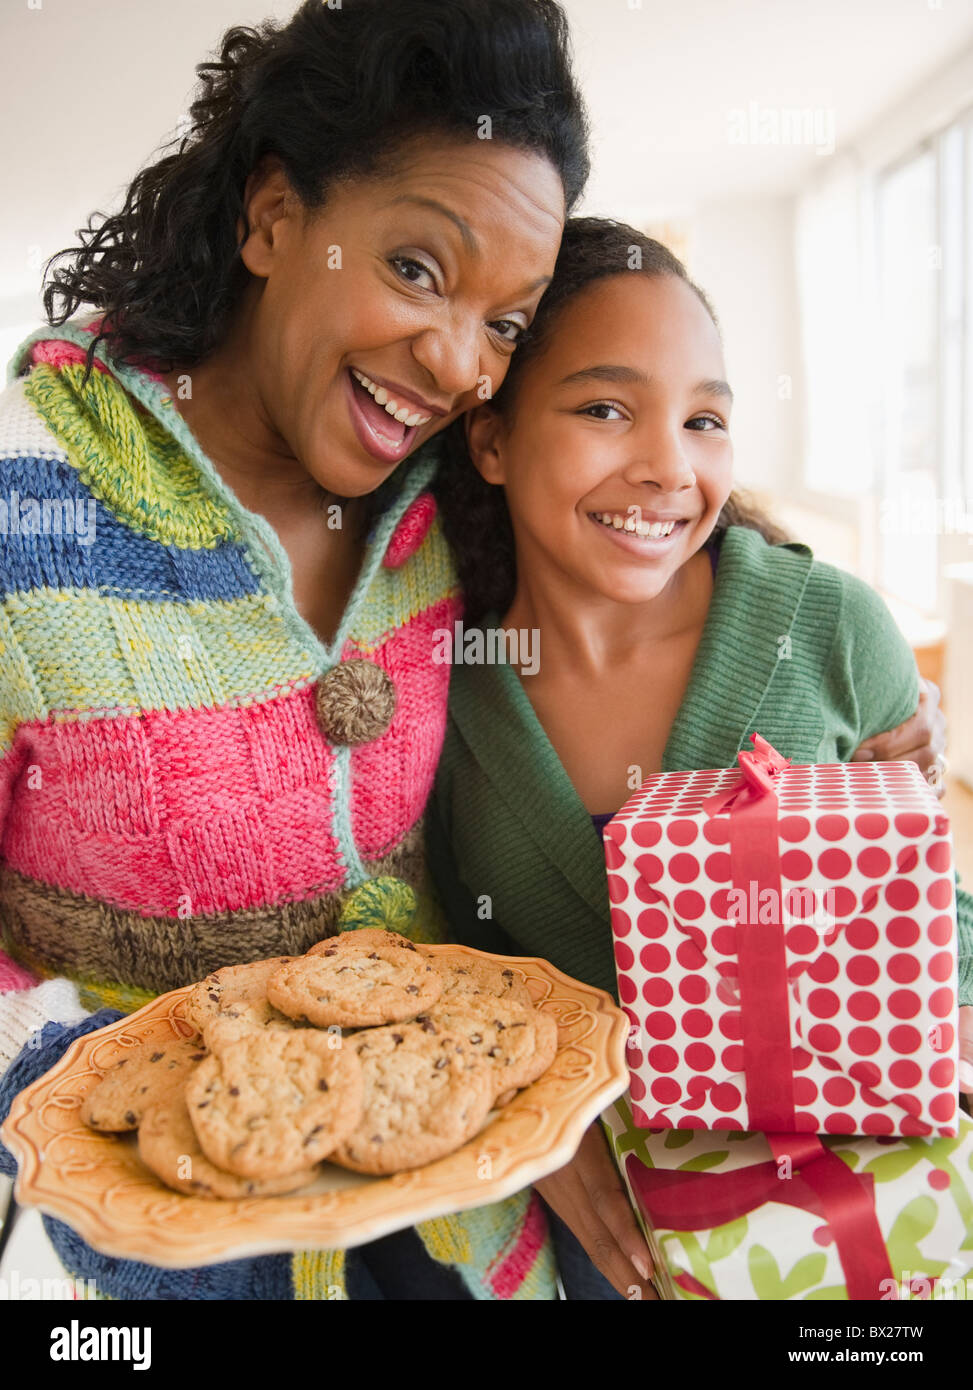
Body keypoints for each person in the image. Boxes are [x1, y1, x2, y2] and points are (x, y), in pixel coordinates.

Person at [0, 0, 591, 1301]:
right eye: (419, 269)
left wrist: (846, 681)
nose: (454, 364)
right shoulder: (23, 505)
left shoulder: (453, 499)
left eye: (506, 320)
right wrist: (89, 1088)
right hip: (148, 1262)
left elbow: (647, 522)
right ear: (273, 218)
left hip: (476, 1229)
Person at [427, 216, 973, 1299]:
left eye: (705, 418)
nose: (668, 466)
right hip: (575, 1237)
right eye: (603, 408)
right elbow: (432, 955)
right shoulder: (438, 682)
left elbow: (935, 932)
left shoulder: (828, 630)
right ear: (490, 439)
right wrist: (520, 1120)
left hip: (837, 1233)